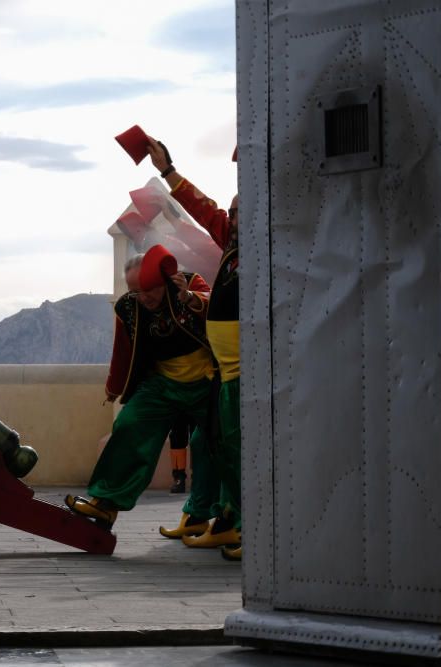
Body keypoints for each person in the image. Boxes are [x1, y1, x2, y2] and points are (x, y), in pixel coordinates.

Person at [65, 247, 220, 530]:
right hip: (160, 384)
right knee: (129, 423)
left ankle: (199, 515)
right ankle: (105, 504)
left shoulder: (188, 283)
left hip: (206, 381)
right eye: (136, 291)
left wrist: (188, 297)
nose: (143, 297)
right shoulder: (127, 307)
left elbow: (216, 306)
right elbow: (122, 351)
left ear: (162, 280)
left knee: (209, 441)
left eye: (148, 289)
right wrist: (113, 387)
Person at [149, 137, 243, 560]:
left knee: (237, 446)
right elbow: (206, 210)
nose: (234, 217)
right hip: (224, 371)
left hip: (247, 372)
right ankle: (215, 515)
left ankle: (242, 524)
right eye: (235, 212)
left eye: (242, 211)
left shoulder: (269, 246)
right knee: (213, 443)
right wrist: (168, 170)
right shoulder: (234, 244)